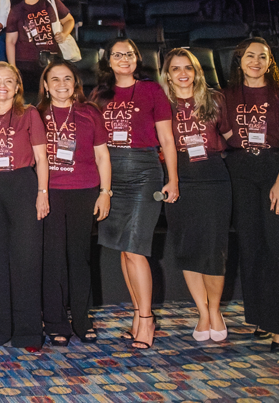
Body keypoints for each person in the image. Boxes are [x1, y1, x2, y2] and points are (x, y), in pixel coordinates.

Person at [90, 39, 177, 350]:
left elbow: (167, 139)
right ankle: (138, 317)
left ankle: (147, 318)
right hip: (111, 173)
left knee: (137, 248)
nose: (124, 59)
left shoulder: (153, 90)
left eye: (129, 54)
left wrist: (173, 179)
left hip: (143, 172)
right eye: (117, 54)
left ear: (138, 58)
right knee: (124, 251)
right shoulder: (99, 94)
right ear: (108, 61)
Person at [219, 38, 279, 351]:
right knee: (251, 246)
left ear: (270, 62)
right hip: (240, 169)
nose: (255, 61)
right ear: (239, 60)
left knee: (278, 246)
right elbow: (223, 131)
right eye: (250, 55)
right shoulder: (227, 95)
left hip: (274, 169)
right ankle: (260, 318)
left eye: (262, 57)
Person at [0, 62, 49, 349]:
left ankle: (28, 332)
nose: (2, 86)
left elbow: (42, 158)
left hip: (22, 186)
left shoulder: (29, 114)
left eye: (8, 81)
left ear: (17, 86)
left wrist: (42, 193)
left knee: (26, 260)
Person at [160, 48, 231, 343]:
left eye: (188, 67)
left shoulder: (215, 99)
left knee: (214, 249)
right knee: (188, 248)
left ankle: (215, 311)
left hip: (213, 176)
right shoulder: (162, 104)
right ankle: (202, 312)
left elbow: (230, 136)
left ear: (197, 71)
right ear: (167, 74)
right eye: (176, 68)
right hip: (179, 178)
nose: (183, 73)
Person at [38, 60, 110, 345]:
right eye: (54, 79)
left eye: (67, 78)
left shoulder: (89, 112)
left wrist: (105, 192)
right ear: (45, 85)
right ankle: (55, 320)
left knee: (79, 258)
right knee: (53, 258)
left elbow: (102, 155)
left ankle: (82, 319)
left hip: (84, 190)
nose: (61, 84)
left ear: (75, 83)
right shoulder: (36, 113)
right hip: (50, 192)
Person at [5, 0, 75, 93]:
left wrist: (64, 33)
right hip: (26, 63)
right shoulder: (15, 10)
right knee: (31, 98)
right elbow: (10, 41)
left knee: (53, 95)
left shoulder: (51, 2)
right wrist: (13, 68)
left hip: (52, 59)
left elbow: (69, 20)